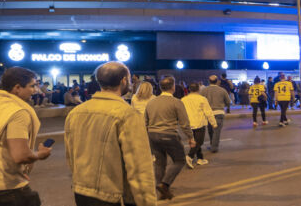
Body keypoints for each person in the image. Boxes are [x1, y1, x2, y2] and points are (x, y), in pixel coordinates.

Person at [64, 61, 158, 206]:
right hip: (112, 196)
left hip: (81, 192)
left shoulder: (76, 112)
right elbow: (139, 169)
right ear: (123, 80)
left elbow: (71, 154)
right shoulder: (127, 114)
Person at [0, 66, 52, 206]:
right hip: (6, 191)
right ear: (17, 87)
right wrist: (40, 154)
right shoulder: (17, 112)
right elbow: (20, 155)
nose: (35, 90)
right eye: (32, 86)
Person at [145, 77, 194, 201]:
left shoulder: (151, 102)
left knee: (160, 163)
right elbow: (184, 123)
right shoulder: (176, 102)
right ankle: (165, 185)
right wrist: (190, 137)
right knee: (180, 160)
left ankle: (162, 192)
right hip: (168, 135)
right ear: (173, 87)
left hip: (152, 135)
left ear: (161, 88)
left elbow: (145, 122)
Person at [180, 82, 217, 166]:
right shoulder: (202, 99)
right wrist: (213, 123)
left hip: (188, 124)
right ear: (199, 89)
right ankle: (190, 156)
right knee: (199, 142)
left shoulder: (183, 99)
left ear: (189, 89)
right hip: (199, 124)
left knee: (195, 141)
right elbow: (208, 112)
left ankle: (200, 158)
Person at [198, 75, 232, 153]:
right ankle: (214, 147)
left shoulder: (204, 90)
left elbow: (200, 101)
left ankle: (211, 143)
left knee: (210, 130)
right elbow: (228, 102)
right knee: (217, 131)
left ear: (209, 81)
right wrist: (226, 107)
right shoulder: (222, 90)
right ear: (217, 81)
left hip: (208, 113)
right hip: (219, 112)